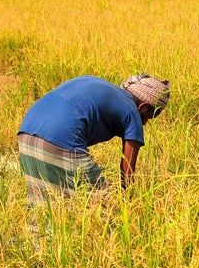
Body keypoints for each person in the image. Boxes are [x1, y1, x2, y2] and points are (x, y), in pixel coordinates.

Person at [17, 73, 170, 208]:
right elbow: (127, 172)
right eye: (148, 117)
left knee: (46, 208)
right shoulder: (132, 112)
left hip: (26, 133)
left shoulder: (94, 81)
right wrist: (129, 206)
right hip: (61, 140)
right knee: (102, 208)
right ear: (143, 106)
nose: (144, 123)